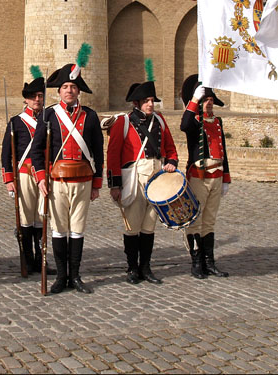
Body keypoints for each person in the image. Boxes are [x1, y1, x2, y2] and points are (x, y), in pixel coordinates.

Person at [30, 54, 104, 294]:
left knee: (77, 229)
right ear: (59, 91)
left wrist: (97, 183)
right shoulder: (48, 115)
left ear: (78, 91)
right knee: (59, 230)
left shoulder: (90, 116)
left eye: (73, 86)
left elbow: (97, 151)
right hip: (57, 181)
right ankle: (61, 276)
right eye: (65, 87)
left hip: (83, 180)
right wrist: (41, 177)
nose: (69, 90)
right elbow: (37, 150)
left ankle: (75, 275)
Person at [106, 78, 179, 285]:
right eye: (146, 101)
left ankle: (146, 267)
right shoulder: (124, 122)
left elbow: (170, 148)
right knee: (132, 226)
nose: (150, 104)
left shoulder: (160, 120)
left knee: (150, 225)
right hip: (135, 176)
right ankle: (132, 268)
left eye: (152, 101)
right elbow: (113, 155)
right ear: (136, 103)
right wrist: (114, 185)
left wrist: (172, 162)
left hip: (157, 176)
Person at [0, 68, 54, 275]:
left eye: (40, 96)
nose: (38, 100)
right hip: (23, 173)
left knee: (41, 217)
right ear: (27, 100)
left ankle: (41, 260)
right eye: (34, 97)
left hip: (43, 173)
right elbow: (6, 153)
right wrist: (8, 179)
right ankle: (27, 259)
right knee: (25, 217)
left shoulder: (49, 120)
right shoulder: (16, 122)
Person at [179, 75, 231, 279]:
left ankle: (209, 262)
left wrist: (226, 177)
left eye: (210, 100)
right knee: (195, 221)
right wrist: (193, 101)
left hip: (216, 175)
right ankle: (196, 261)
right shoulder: (194, 122)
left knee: (209, 221)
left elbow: (223, 151)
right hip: (199, 176)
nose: (209, 103)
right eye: (205, 100)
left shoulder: (217, 122)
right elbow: (184, 125)